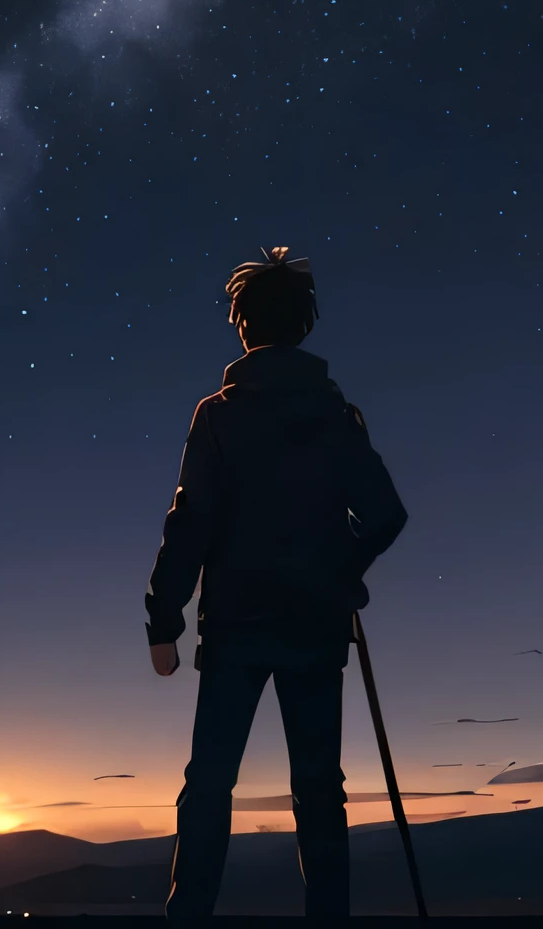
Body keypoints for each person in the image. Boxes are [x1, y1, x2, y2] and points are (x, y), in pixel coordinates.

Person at [144, 245, 408, 920]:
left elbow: (190, 521)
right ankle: (329, 918)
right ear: (303, 324)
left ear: (243, 325)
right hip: (316, 626)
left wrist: (163, 620)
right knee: (319, 787)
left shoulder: (220, 415)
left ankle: (188, 917)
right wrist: (340, 569)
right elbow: (384, 513)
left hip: (235, 624)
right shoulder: (332, 414)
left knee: (209, 782)